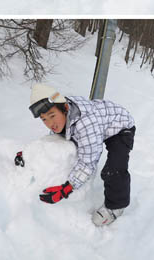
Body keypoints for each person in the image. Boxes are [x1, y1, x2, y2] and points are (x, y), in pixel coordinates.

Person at [15, 83, 135, 227]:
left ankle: (115, 207)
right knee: (76, 143)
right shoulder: (63, 116)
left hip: (120, 127)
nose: (50, 123)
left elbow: (88, 162)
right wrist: (29, 154)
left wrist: (67, 188)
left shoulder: (86, 124)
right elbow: (55, 139)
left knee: (113, 169)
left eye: (52, 116)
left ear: (65, 108)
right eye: (44, 119)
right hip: (100, 125)